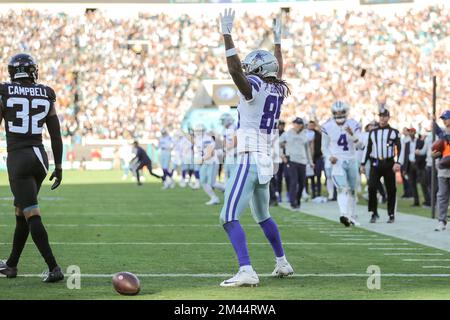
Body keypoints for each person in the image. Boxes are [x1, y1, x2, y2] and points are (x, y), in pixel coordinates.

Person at [218, 9, 293, 287]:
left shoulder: (257, 87)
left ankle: (247, 270)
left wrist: (227, 34)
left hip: (249, 158)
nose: (248, 71)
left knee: (227, 217)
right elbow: (279, 70)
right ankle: (282, 262)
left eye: (253, 69)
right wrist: (278, 43)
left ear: (260, 71)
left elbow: (235, 69)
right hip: (266, 160)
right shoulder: (278, 89)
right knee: (263, 216)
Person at [0, 53, 64, 282]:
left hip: (19, 159)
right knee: (21, 212)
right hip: (40, 158)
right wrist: (59, 166)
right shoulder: (46, 92)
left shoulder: (4, 91)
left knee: (31, 213)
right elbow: (56, 135)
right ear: (31, 71)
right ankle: (11, 265)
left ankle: (54, 267)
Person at [321, 101, 362, 226]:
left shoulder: (353, 124)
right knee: (342, 188)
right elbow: (324, 147)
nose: (339, 114)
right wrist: (330, 157)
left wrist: (352, 134)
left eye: (341, 112)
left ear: (346, 112)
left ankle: (352, 216)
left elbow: (360, 145)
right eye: (336, 112)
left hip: (352, 159)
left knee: (353, 190)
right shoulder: (327, 126)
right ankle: (344, 214)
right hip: (337, 161)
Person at [361, 107, 402, 223]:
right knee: (372, 187)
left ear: (388, 117)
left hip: (389, 162)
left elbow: (399, 148)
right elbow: (368, 148)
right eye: (381, 116)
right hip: (376, 162)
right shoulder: (372, 133)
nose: (382, 118)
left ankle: (391, 214)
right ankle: (373, 212)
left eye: (384, 116)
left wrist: (398, 162)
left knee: (391, 189)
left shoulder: (394, 132)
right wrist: (363, 163)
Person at [279, 117, 313, 210]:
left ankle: (297, 199)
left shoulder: (304, 135)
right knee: (293, 181)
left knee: (302, 183)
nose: (298, 125)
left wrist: (310, 162)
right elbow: (277, 144)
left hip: (302, 161)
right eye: (296, 123)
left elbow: (307, 150)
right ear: (293, 124)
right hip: (292, 160)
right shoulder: (287, 134)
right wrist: (282, 155)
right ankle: (292, 201)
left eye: (299, 124)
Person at [192, 124, 220, 205]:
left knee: (212, 183)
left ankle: (225, 188)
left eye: (199, 131)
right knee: (203, 181)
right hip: (205, 163)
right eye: (196, 131)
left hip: (212, 162)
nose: (197, 133)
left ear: (203, 131)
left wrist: (201, 159)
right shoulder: (198, 140)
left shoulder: (207, 139)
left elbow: (210, 154)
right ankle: (214, 198)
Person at [433, 110, 450, 231]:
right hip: (444, 168)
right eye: (443, 118)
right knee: (442, 195)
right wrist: (434, 154)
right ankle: (442, 221)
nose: (444, 120)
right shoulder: (442, 134)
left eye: (446, 118)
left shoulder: (444, 135)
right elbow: (437, 151)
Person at [220, 113, 237, 182]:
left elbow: (236, 141)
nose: (222, 122)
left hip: (234, 154)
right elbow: (224, 141)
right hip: (229, 154)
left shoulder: (234, 127)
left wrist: (228, 149)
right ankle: (227, 188)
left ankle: (232, 189)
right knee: (227, 172)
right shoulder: (225, 129)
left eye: (223, 120)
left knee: (233, 173)